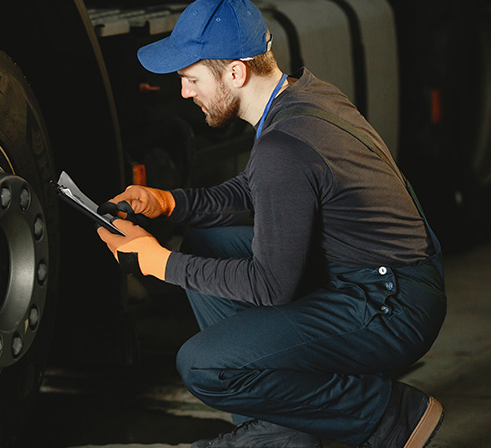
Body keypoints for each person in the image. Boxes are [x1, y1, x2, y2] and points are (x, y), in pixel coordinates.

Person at [95, 0, 447, 447]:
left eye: (190, 79)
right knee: (206, 240)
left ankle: (387, 416)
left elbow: (269, 285)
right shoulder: (300, 97)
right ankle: (280, 434)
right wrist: (168, 203)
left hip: (390, 305)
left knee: (204, 365)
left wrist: (158, 261)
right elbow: (256, 190)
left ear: (235, 74)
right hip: (387, 281)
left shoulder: (286, 145)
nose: (185, 93)